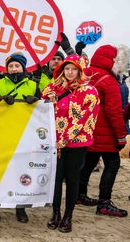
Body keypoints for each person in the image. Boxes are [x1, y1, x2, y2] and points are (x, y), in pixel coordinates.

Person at [41, 54, 100, 233]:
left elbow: (83, 119)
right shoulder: (54, 88)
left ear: (80, 70)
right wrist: (49, 96)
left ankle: (68, 216)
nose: (70, 72)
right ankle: (56, 213)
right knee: (56, 179)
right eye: (67, 68)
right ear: (61, 70)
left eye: (74, 69)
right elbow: (42, 99)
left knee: (72, 179)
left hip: (77, 142)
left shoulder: (89, 91)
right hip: (55, 142)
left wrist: (65, 139)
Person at [77, 44, 128, 217]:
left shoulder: (85, 75)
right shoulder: (109, 80)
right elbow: (114, 112)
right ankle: (104, 202)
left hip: (86, 130)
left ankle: (79, 194)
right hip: (105, 132)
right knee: (113, 164)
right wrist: (121, 136)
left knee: (89, 162)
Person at [0, 52, 41, 223]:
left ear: (23, 67)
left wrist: (36, 102)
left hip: (25, 134)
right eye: (10, 66)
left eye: (17, 65)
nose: (13, 69)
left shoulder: (33, 85)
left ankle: (21, 208)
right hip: (1, 133)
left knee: (22, 172)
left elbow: (42, 108)